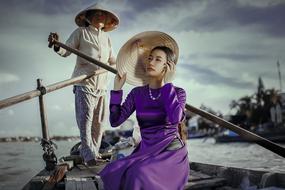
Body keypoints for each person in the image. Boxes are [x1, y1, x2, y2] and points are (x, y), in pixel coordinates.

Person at [99, 31, 189, 190]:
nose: (151, 62)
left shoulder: (178, 92)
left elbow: (176, 118)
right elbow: (115, 121)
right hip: (145, 151)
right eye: (150, 58)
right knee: (111, 170)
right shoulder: (137, 93)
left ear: (167, 66)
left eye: (157, 59)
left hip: (170, 152)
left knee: (138, 174)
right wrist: (116, 91)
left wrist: (166, 83)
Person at [48, 3, 119, 166]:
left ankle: (94, 152)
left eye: (103, 14)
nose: (100, 16)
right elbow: (65, 51)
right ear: (88, 17)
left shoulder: (107, 38)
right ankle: (88, 156)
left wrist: (123, 64)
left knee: (100, 123)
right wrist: (57, 45)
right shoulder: (81, 33)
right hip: (84, 83)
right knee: (85, 120)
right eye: (97, 13)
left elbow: (113, 61)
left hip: (102, 85)